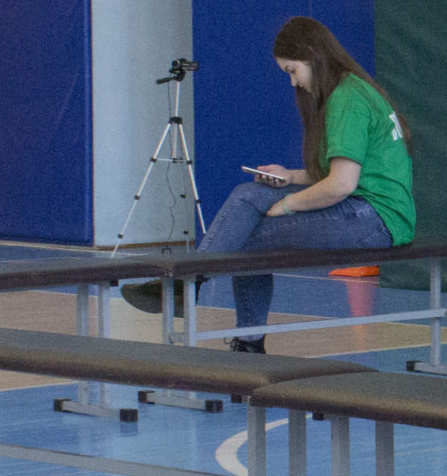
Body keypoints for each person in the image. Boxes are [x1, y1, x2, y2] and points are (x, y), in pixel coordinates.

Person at [123, 17, 415, 349]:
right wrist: (289, 176)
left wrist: (288, 204)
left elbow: (340, 185)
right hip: (374, 213)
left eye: (292, 70)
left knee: (245, 238)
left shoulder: (347, 99)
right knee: (250, 194)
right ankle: (198, 294)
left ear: (311, 53)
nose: (293, 82)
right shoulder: (354, 89)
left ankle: (200, 296)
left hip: (374, 220)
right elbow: (342, 174)